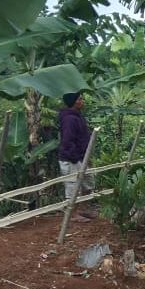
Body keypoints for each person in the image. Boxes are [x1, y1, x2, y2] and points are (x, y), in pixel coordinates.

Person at [58, 92, 95, 222]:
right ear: (74, 102)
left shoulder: (77, 116)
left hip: (80, 157)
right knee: (72, 187)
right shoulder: (70, 119)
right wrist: (75, 157)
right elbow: (67, 141)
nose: (82, 101)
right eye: (80, 99)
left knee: (87, 183)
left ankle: (82, 210)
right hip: (71, 159)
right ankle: (72, 214)